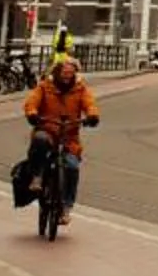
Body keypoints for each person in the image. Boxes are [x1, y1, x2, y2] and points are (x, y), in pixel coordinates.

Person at [22, 52, 102, 227]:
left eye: (71, 73)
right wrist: (32, 114)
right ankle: (38, 177)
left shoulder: (80, 89)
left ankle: (66, 208)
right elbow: (31, 102)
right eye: (64, 73)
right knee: (40, 141)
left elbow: (90, 104)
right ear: (58, 72)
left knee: (72, 167)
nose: (67, 76)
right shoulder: (45, 87)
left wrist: (92, 116)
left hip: (69, 137)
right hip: (48, 130)